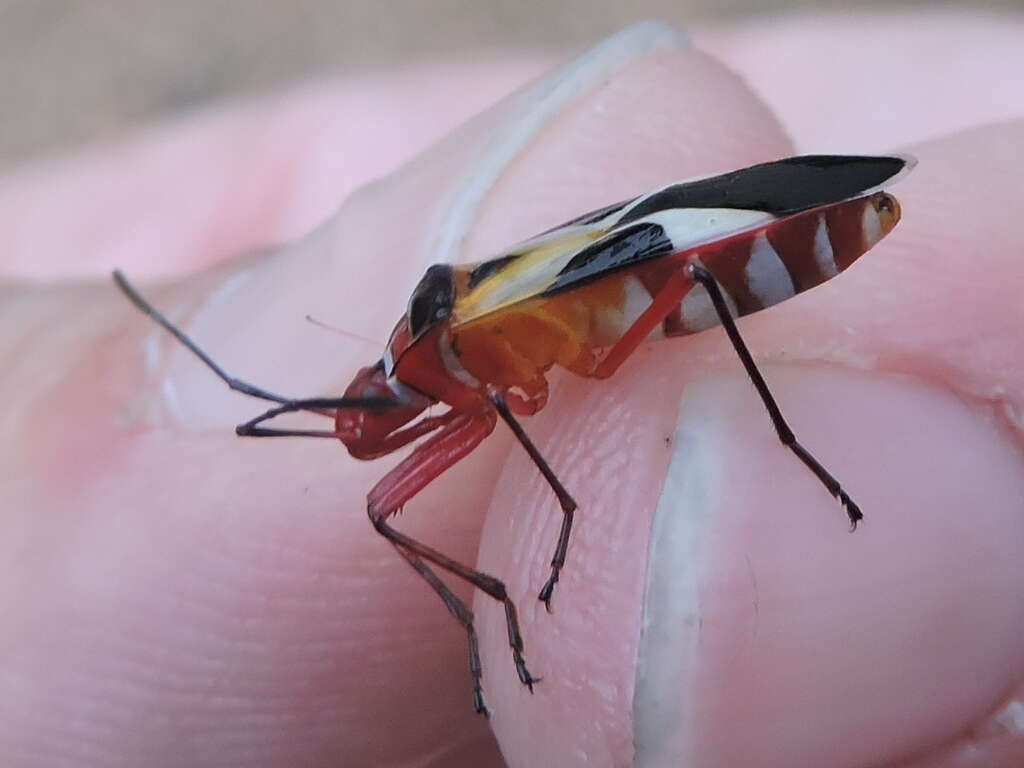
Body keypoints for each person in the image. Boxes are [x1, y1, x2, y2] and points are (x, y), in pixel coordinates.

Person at [2, 16, 1022, 768]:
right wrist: (490, 602)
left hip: (701, 264)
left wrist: (569, 510)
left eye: (370, 407)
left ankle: (793, 451)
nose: (366, 429)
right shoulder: (437, 376)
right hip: (635, 298)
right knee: (380, 510)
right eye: (363, 410)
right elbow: (392, 488)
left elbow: (541, 361)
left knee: (691, 272)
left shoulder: (461, 342)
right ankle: (494, 609)